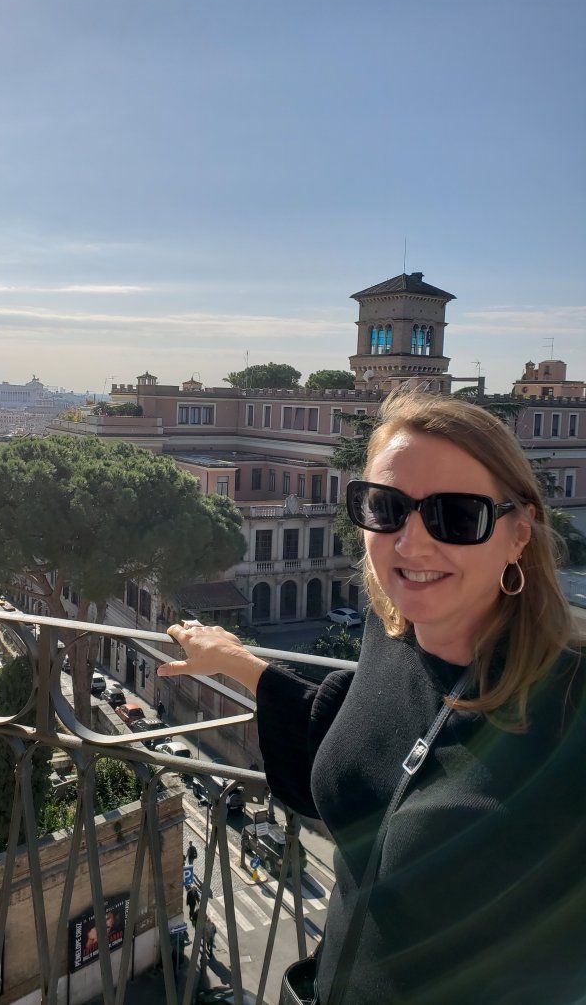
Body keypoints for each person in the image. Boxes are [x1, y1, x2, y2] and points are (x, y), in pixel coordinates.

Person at [159, 391, 586, 1005]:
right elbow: (354, 744)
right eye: (386, 508)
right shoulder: (390, 641)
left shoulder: (572, 698)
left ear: (519, 533)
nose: (410, 544)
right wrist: (238, 664)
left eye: (457, 516)